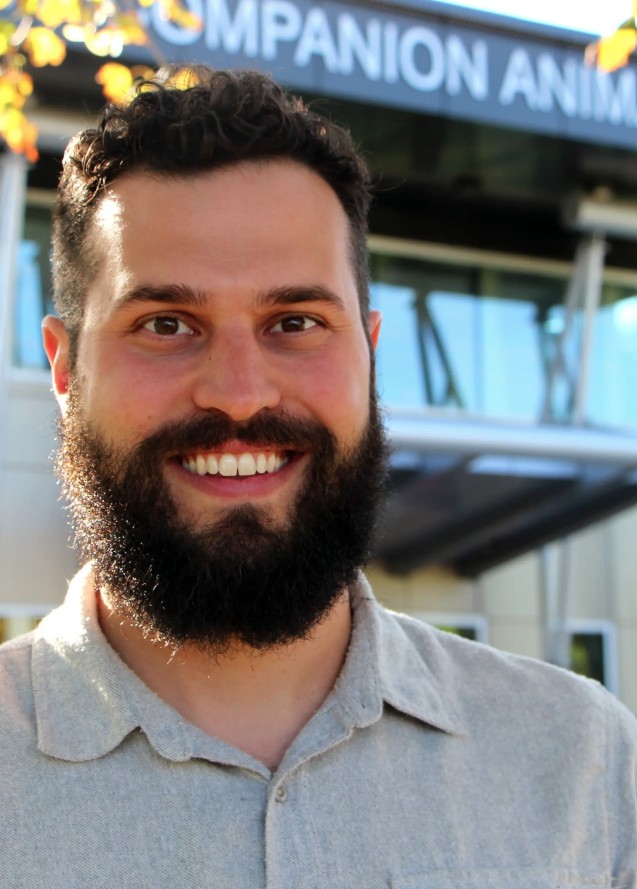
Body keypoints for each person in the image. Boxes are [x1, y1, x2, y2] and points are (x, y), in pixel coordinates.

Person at [1, 65, 635, 887]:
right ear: (64, 366)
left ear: (370, 351)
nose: (238, 392)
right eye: (165, 323)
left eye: (295, 321)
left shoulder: (580, 760)